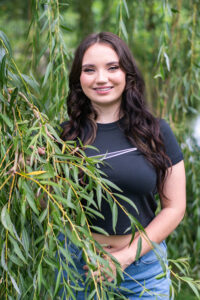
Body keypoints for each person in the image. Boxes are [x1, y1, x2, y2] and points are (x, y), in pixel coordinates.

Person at [58, 32, 186, 299]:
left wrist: (127, 257)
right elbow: (53, 206)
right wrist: (27, 170)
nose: (101, 78)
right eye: (89, 69)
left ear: (128, 74)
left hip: (143, 270)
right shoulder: (63, 137)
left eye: (112, 67)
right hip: (79, 266)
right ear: (78, 78)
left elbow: (174, 207)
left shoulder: (156, 133)